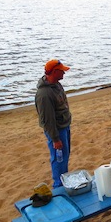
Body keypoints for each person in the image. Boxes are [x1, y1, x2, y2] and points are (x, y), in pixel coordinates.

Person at [35, 59, 72, 188]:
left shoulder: (56, 85)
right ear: (55, 72)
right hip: (56, 131)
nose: (64, 73)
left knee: (65, 156)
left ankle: (64, 182)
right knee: (58, 159)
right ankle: (59, 186)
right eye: (62, 71)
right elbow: (47, 120)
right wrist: (55, 139)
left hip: (64, 126)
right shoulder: (44, 94)